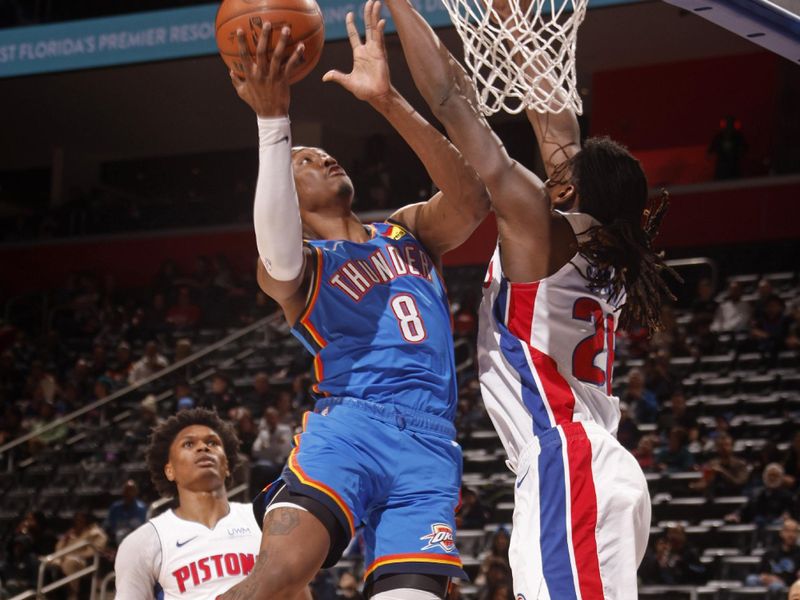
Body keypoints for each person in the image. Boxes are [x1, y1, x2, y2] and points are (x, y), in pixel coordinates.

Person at [384, 0, 677, 596]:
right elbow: (557, 120)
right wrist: (514, 27)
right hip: (577, 464)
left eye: (565, 168)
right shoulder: (605, 246)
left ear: (568, 186)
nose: (556, 163)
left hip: (567, 459)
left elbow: (450, 103)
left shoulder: (541, 225)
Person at [220, 5, 488, 599]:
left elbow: (472, 200)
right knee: (279, 579)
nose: (320, 158)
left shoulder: (407, 231)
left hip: (430, 445)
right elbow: (280, 256)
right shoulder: (299, 268)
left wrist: (388, 100)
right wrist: (273, 123)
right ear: (284, 193)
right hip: (350, 428)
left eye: (319, 153)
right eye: (303, 161)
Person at [114, 408, 262, 598]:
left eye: (212, 442)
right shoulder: (143, 542)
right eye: (189, 444)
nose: (203, 448)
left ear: (226, 465)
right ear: (169, 470)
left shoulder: (262, 520)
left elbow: (297, 590)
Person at [744, 518, 800, 598]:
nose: (790, 534)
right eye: (787, 531)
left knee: (776, 586)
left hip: (785, 585)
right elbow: (760, 572)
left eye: (794, 531)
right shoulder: (771, 552)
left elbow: (796, 580)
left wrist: (780, 580)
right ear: (781, 533)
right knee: (751, 579)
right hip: (769, 581)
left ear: (798, 534)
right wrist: (765, 577)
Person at [105, 479, 148, 547]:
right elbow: (109, 525)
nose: (129, 492)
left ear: (136, 492)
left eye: (131, 490)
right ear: (123, 491)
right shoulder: (115, 508)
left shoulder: (142, 508)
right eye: (127, 490)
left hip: (136, 541)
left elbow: (144, 528)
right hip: (117, 542)